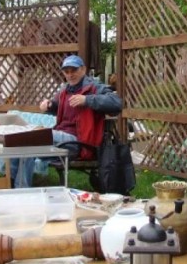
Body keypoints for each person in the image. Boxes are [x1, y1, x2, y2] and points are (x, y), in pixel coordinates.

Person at [10, 55, 122, 187]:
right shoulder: (65, 90)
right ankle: (16, 189)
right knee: (23, 144)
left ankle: (20, 190)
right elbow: (56, 106)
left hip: (79, 142)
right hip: (62, 139)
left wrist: (87, 100)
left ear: (83, 70)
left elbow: (117, 103)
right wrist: (49, 105)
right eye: (66, 71)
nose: (70, 75)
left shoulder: (94, 87)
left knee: (31, 136)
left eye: (73, 70)